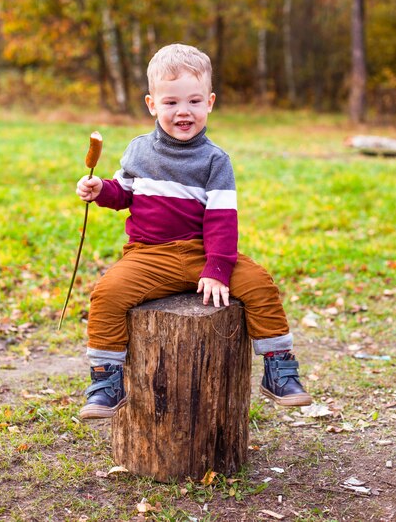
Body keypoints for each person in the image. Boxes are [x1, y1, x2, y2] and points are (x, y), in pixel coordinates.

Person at [76, 43, 312, 419]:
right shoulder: (139, 152)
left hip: (205, 251)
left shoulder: (215, 160)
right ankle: (106, 380)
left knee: (259, 284)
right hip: (149, 255)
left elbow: (222, 218)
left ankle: (279, 369)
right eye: (171, 103)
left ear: (210, 103)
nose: (183, 112)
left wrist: (218, 268)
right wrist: (101, 190)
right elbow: (125, 193)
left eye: (194, 102)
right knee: (108, 293)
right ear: (152, 104)